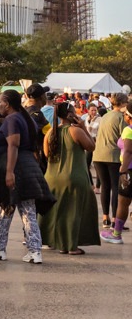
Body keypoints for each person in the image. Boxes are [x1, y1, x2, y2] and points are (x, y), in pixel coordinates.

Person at [0, 89, 55, 264]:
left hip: (14, 167)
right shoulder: (24, 117)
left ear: (7, 103)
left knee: (3, 207)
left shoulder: (13, 119)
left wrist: (9, 172)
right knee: (28, 211)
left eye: (0, 102)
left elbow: (13, 145)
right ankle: (34, 251)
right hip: (27, 166)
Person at [39, 102, 100, 254]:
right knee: (73, 212)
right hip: (74, 176)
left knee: (57, 212)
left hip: (52, 178)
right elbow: (92, 147)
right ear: (70, 115)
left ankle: (58, 242)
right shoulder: (76, 131)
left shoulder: (50, 133)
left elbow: (47, 155)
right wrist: (83, 127)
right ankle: (71, 246)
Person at [93, 92, 127, 230]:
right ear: (122, 104)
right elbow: (124, 138)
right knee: (115, 187)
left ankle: (105, 218)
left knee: (105, 187)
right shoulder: (121, 117)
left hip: (98, 155)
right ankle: (115, 220)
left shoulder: (105, 115)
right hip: (113, 156)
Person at [101, 104, 132, 244]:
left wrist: (123, 171)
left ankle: (116, 234)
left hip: (129, 169)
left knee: (123, 203)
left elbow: (128, 152)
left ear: (129, 116)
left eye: (125, 113)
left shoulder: (128, 130)